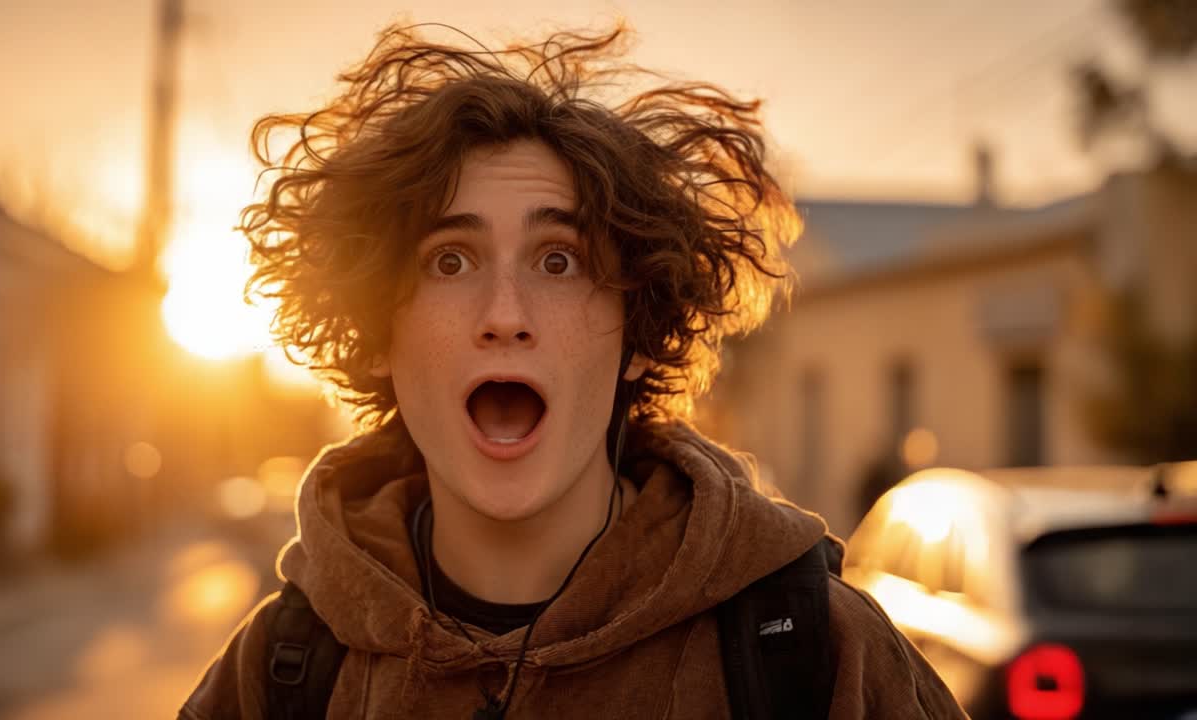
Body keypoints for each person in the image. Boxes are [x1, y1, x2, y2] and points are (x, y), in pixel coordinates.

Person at [180, 22, 968, 720]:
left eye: (559, 259)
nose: (505, 312)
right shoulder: (280, 671)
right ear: (378, 331)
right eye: (450, 260)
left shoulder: (815, 656)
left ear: (635, 330)